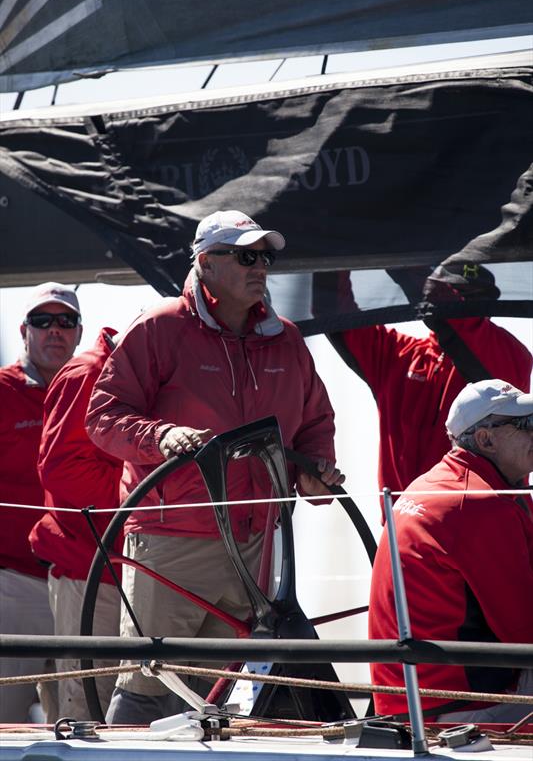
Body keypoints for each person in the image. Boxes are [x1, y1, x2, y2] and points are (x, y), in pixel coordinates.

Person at [86, 209, 344, 724]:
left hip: (253, 541)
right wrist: (161, 435)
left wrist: (316, 472)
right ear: (206, 262)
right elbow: (103, 417)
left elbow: (314, 419)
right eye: (246, 256)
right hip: (173, 539)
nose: (260, 267)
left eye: (265, 257)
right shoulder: (160, 327)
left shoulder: (286, 339)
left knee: (213, 694)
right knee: (150, 683)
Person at [369, 378, 533, 722]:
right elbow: (524, 630)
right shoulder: (479, 503)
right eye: (525, 424)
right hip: (455, 706)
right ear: (486, 439)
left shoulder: (440, 481)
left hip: (410, 697)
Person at [313, 266, 532, 517]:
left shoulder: (511, 355)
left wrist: (393, 250)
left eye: (474, 299)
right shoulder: (400, 355)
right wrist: (338, 243)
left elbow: (448, 317)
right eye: (460, 297)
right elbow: (333, 312)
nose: (468, 307)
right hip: (406, 526)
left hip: (485, 526)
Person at [29, 327, 123, 721]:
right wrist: (143, 502)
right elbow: (62, 468)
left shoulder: (160, 372)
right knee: (85, 709)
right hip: (89, 568)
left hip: (137, 568)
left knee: (129, 701)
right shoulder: (90, 372)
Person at [0, 282, 82, 723]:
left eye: (65, 321)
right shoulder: (2, 390)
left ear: (78, 332)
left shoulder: (97, 391)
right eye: (43, 321)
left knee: (78, 724)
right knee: (4, 722)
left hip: (80, 583)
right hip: (13, 586)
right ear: (24, 331)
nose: (55, 330)